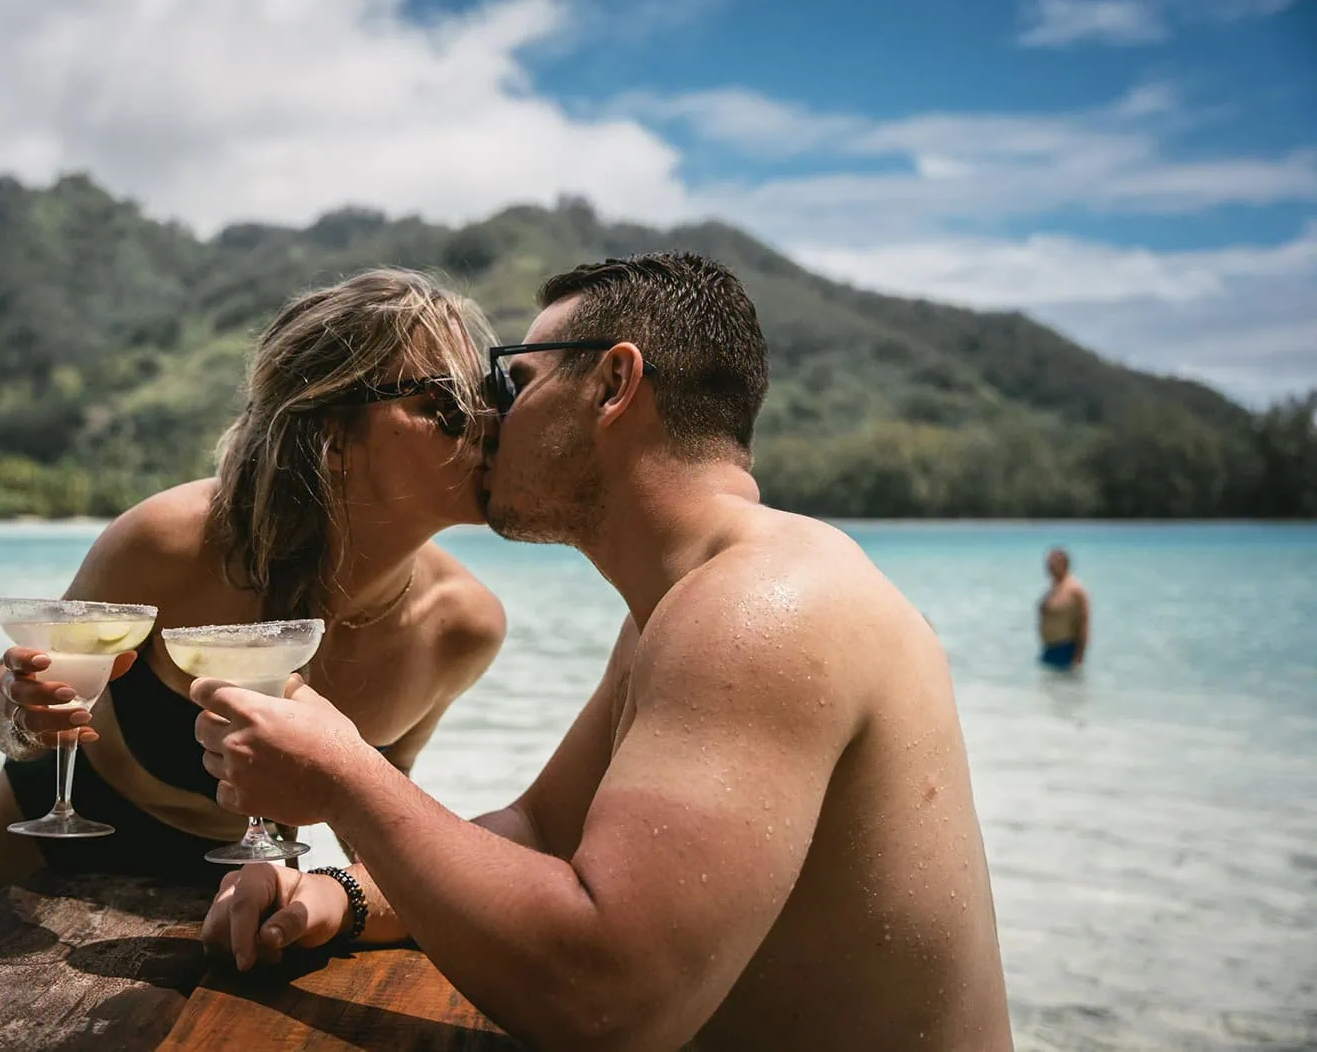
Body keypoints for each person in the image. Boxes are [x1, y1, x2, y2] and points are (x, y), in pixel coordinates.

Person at [193, 253, 1013, 1051]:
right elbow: (539, 829)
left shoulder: (759, 608)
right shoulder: (689, 602)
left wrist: (342, 773)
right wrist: (342, 895)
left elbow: (607, 1007)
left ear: (615, 385)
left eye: (512, 383)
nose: (489, 420)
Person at [0, 269, 508, 941]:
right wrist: (21, 706)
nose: (488, 423)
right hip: (46, 845)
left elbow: (381, 813)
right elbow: (9, 710)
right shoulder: (170, 544)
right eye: (444, 401)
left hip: (234, 885)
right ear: (333, 436)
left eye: (490, 395)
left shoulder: (463, 626)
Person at [1038, 547, 1089, 670]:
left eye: (1053, 564)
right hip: (1048, 649)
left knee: (1065, 688)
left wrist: (1078, 656)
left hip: (1065, 650)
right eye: (1048, 564)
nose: (1049, 567)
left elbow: (1083, 625)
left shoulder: (1075, 590)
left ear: (1064, 564)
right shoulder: (1053, 589)